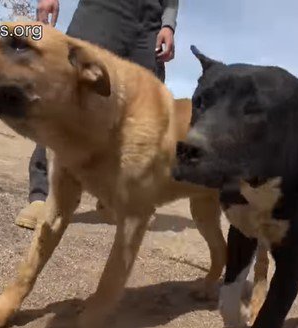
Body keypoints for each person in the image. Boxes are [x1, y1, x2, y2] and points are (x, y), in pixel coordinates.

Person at [15, 0, 179, 229]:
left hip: (149, 24)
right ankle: (44, 196)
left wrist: (168, 26)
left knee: (139, 108)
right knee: (70, 92)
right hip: (102, 10)